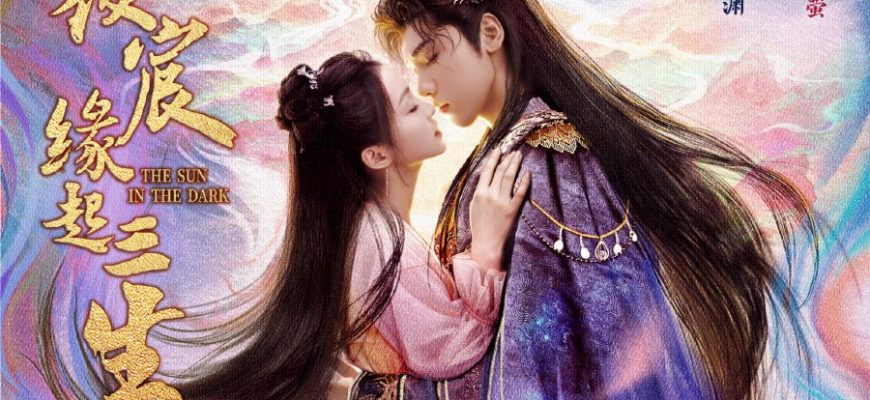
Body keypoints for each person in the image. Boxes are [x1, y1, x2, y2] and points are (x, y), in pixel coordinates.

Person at [349, 0, 819, 399]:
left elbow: (539, 365)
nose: (424, 86)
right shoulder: (512, 154)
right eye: (415, 71)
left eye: (430, 58)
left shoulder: (546, 162)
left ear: (489, 33)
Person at [173, 51, 531, 400]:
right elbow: (455, 354)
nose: (428, 106)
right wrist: (486, 251)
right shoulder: (382, 243)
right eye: (409, 107)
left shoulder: (363, 228)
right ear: (377, 154)